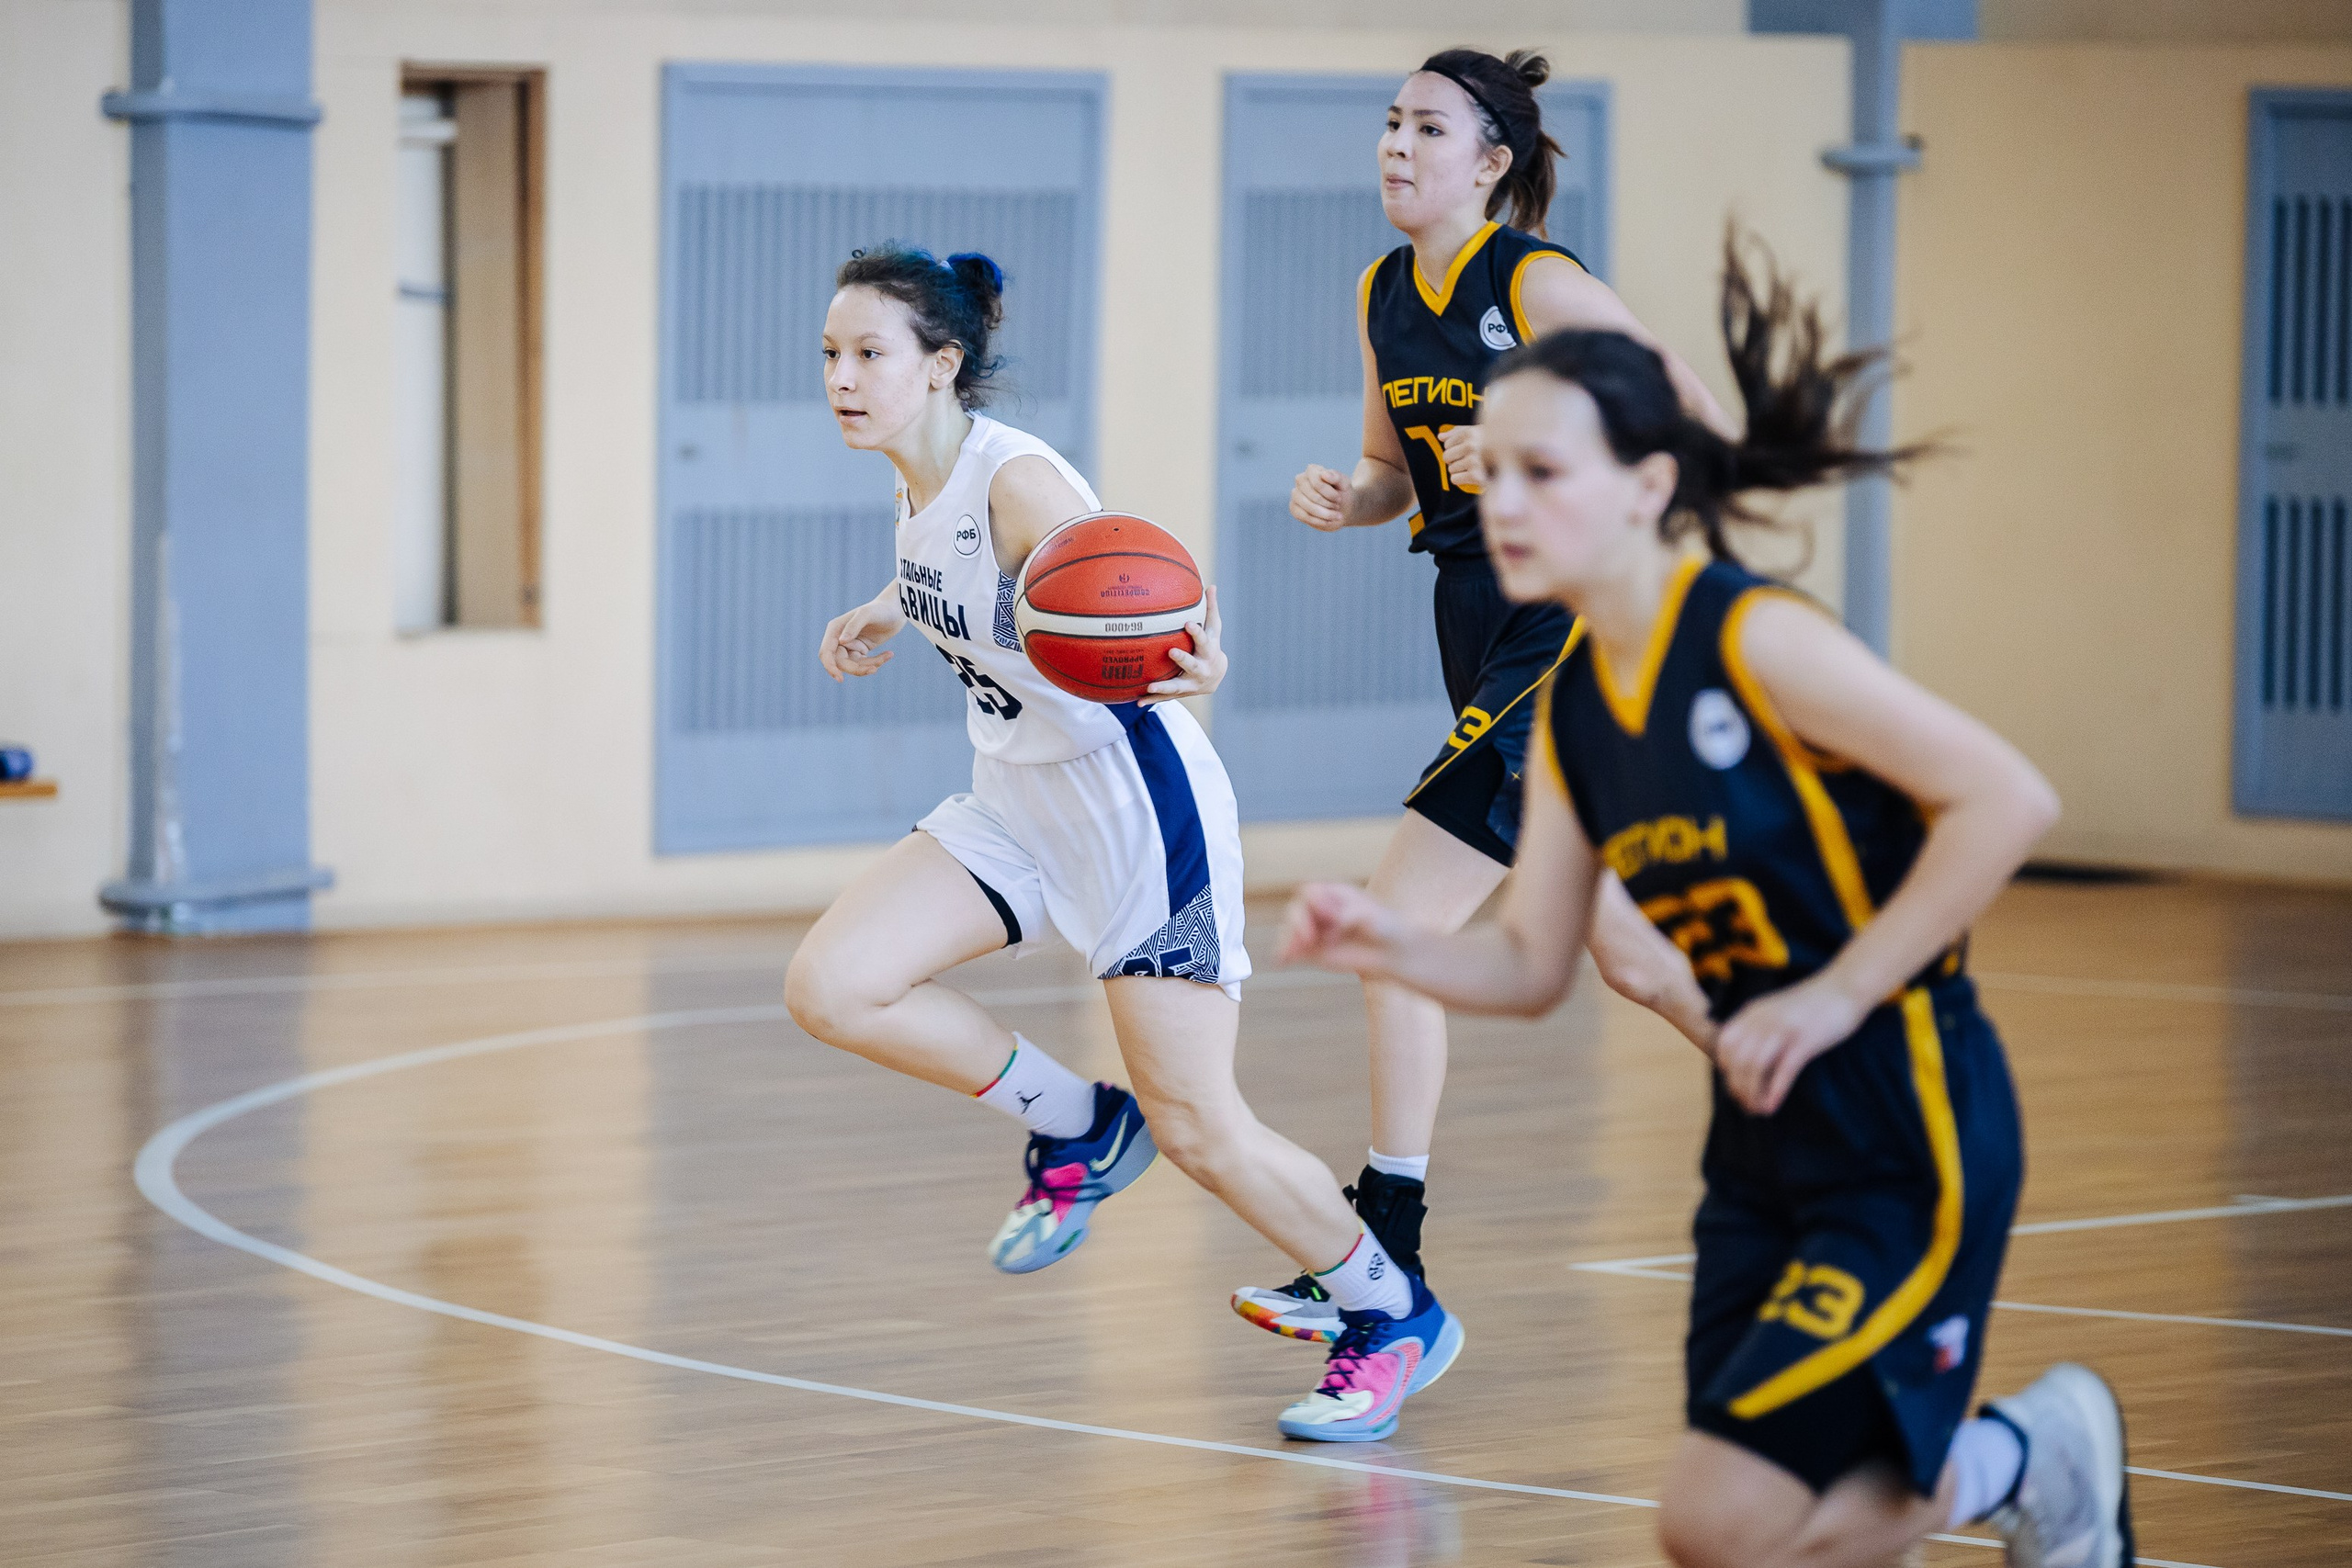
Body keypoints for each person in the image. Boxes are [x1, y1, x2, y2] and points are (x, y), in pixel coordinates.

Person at [1278, 239, 2135, 1567]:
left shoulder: (1752, 638)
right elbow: (1534, 965)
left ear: (1649, 485)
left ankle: (2038, 1453)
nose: (1503, 501)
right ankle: (2020, 1464)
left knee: (1740, 1527)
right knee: (1714, 1526)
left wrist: (1839, 994)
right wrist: (1385, 942)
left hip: (1902, 1116)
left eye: (1545, 472)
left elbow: (2007, 800)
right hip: (1758, 1152)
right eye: (1495, 469)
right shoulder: (1578, 710)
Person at [785, 245, 1462, 1442]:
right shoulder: (916, 479)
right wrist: (885, 609)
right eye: (833, 353)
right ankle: (1081, 1122)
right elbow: (971, 583)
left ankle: (1391, 1310)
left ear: (940, 366)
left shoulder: (1017, 481)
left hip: (1137, 813)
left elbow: (1131, 590)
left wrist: (1201, 652)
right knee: (833, 985)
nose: (842, 376)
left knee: (1200, 1124)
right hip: (1017, 803)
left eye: (870, 353)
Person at [1238, 45, 1724, 1346]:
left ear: (1491, 162)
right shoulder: (1383, 290)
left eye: (1429, 128)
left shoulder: (1539, 283)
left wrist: (1525, 453)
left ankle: (1383, 1259)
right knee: (1632, 953)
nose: (1398, 145)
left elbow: (1691, 425)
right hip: (1476, 616)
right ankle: (1827, 1103)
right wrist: (1352, 497)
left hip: (1574, 628)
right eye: (1391, 122)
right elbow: (1395, 468)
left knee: (1399, 924)